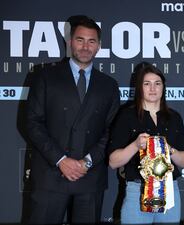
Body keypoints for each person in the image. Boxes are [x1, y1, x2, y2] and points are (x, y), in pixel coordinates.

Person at [26, 15, 120, 224]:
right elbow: (32, 123)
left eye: (91, 41)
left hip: (90, 177)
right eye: (80, 40)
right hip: (50, 175)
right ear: (70, 42)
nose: (85, 47)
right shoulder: (45, 76)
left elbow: (111, 130)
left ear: (98, 47)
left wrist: (87, 162)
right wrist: (61, 160)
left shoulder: (109, 85)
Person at [108, 62, 184, 224]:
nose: (152, 88)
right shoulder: (126, 116)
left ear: (163, 87)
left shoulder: (174, 118)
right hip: (137, 190)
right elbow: (113, 162)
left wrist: (170, 150)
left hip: (169, 190)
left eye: (157, 84)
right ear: (140, 88)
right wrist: (135, 146)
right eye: (147, 84)